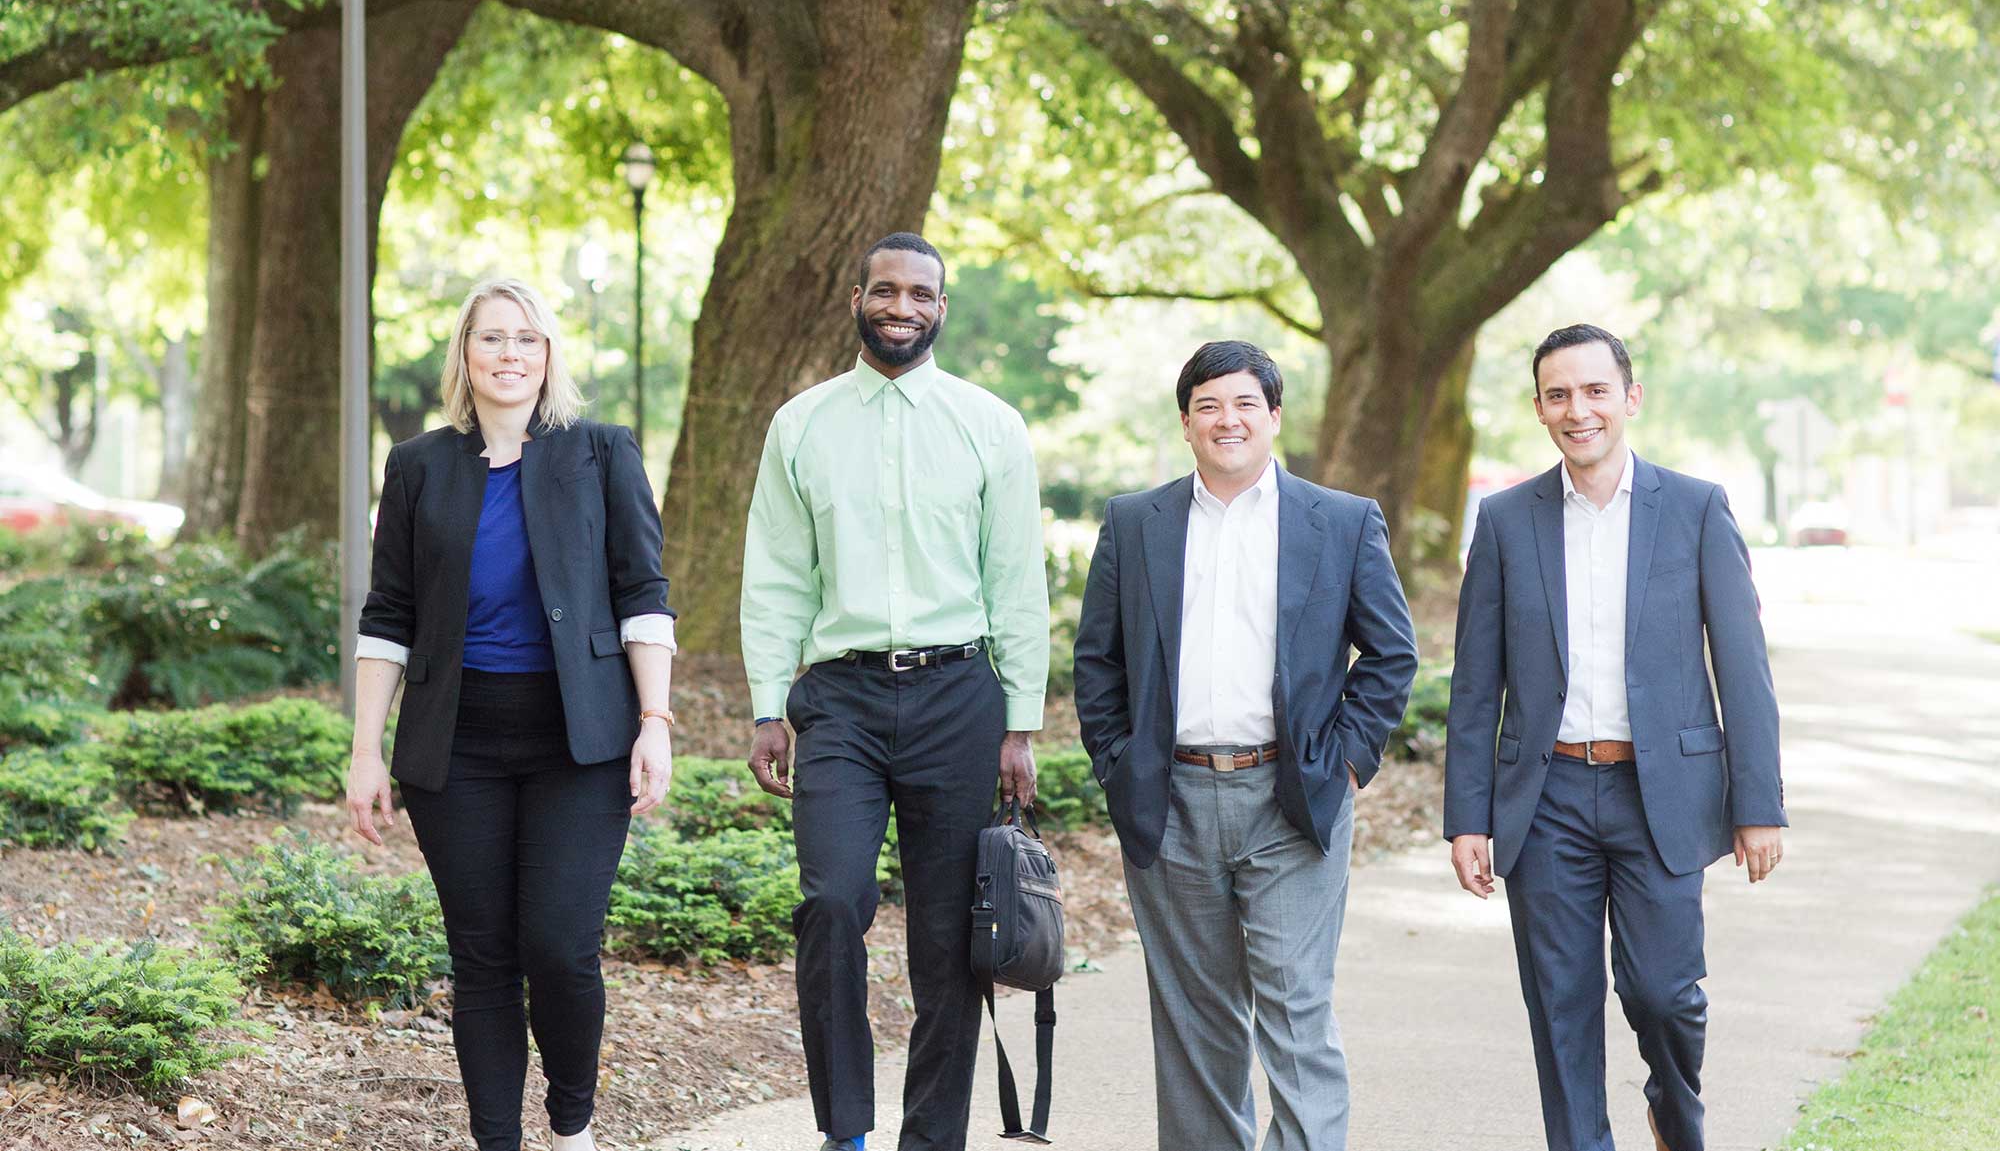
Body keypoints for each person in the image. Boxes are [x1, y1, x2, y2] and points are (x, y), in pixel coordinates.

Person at [346, 277, 677, 1151]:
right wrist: (366, 750)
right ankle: (497, 1139)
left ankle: (572, 1124)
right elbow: (389, 615)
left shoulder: (603, 453)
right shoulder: (419, 466)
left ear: (549, 355)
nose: (510, 354)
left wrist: (656, 720)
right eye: (492, 338)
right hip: (457, 746)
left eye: (527, 339)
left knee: (561, 946)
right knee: (483, 958)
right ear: (465, 353)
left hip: (581, 740)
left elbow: (643, 592)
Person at [739, 231, 1050, 1151]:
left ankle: (930, 1141)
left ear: (941, 307)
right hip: (839, 699)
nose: (902, 306)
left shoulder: (990, 424)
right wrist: (767, 704)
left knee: (950, 940)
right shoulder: (801, 424)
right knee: (831, 901)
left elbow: (1016, 581)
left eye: (921, 292)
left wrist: (1021, 722)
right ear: (857, 299)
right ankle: (845, 1133)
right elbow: (776, 576)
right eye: (886, 290)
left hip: (959, 697)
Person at [1443, 324, 1787, 1151]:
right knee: (1559, 1003)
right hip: (1546, 797)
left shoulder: (1697, 508)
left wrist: (1760, 804)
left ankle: (1675, 1117)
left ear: (1629, 398)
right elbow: (1472, 682)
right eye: (1558, 394)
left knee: (1664, 994)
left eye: (1595, 390)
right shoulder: (1503, 519)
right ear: (1538, 409)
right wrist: (1468, 817)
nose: (1578, 409)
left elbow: (1742, 666)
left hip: (1661, 794)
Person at [1072, 340, 1418, 1151]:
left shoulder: (1339, 520)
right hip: (1172, 797)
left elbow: (1392, 652)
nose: (1227, 419)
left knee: (1297, 1006)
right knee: (1196, 1020)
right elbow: (1098, 659)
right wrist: (1120, 764)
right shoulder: (1134, 522)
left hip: (1292, 797)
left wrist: (1347, 760)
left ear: (1274, 417)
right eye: (1208, 406)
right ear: (1187, 423)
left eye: (1244, 404)